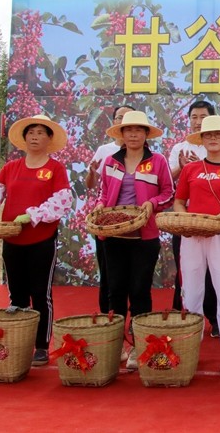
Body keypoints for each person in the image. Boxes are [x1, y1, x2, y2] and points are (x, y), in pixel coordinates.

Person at [0, 114, 71, 366]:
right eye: (31, 132)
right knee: (16, 295)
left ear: (49, 139)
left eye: (40, 133)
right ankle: (19, 342)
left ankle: (41, 346)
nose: (35, 137)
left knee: (40, 294)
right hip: (12, 239)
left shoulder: (55, 169)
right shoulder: (10, 168)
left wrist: (33, 215)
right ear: (24, 138)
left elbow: (63, 200)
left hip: (42, 239)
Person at [94, 111, 174, 368]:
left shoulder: (158, 161)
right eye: (128, 130)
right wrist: (99, 206)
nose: (133, 134)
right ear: (121, 134)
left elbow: (168, 193)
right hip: (114, 234)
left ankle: (140, 346)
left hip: (144, 236)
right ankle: (116, 344)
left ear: (146, 134)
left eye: (139, 130)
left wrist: (152, 203)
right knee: (115, 290)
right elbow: (103, 193)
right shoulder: (111, 162)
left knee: (140, 290)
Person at [173, 115, 220, 373]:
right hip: (192, 234)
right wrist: (186, 219)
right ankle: (189, 344)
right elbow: (179, 201)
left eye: (218, 134)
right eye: (208, 134)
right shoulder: (190, 170)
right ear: (202, 139)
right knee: (191, 290)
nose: (214, 138)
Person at [169, 100, 220, 337]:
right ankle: (185, 318)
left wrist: (196, 167)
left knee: (215, 274)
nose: (198, 121)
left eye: (203, 117)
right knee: (187, 273)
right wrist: (182, 168)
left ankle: (216, 320)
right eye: (194, 117)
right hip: (187, 220)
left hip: (214, 221)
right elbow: (169, 182)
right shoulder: (179, 148)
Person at [85, 104, 134, 315]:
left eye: (128, 118)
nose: (123, 121)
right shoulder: (105, 151)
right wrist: (91, 173)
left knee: (133, 273)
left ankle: (134, 315)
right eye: (119, 117)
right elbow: (92, 185)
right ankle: (108, 314)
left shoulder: (146, 153)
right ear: (114, 123)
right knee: (108, 271)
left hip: (134, 221)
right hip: (107, 220)